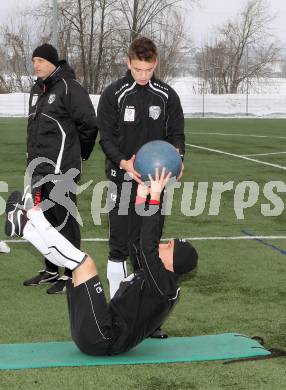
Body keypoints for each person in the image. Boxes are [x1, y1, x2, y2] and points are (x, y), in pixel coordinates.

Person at [5, 168, 198, 356]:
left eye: (168, 247)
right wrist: (141, 199)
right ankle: (24, 228)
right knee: (77, 267)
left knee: (84, 263)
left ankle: (35, 215)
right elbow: (136, 241)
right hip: (97, 330)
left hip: (102, 338)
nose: (162, 245)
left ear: (173, 263)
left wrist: (155, 197)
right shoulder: (159, 280)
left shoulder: (164, 286)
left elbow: (148, 243)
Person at [97, 37, 185, 337]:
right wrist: (125, 163)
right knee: (120, 247)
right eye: (137, 69)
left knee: (147, 248)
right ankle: (117, 315)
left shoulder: (167, 95)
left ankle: (148, 319)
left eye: (148, 69)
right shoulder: (113, 94)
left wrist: (178, 159)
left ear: (156, 63)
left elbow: (177, 134)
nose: (143, 75)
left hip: (155, 185)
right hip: (122, 181)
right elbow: (105, 138)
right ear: (128, 63)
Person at [23, 43, 98, 294]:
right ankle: (51, 269)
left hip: (62, 168)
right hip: (38, 168)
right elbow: (34, 129)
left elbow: (89, 124)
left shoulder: (69, 87)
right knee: (41, 220)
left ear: (53, 63)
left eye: (41, 61)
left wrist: (80, 156)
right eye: (34, 61)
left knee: (64, 220)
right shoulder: (37, 89)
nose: (36, 65)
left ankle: (71, 273)